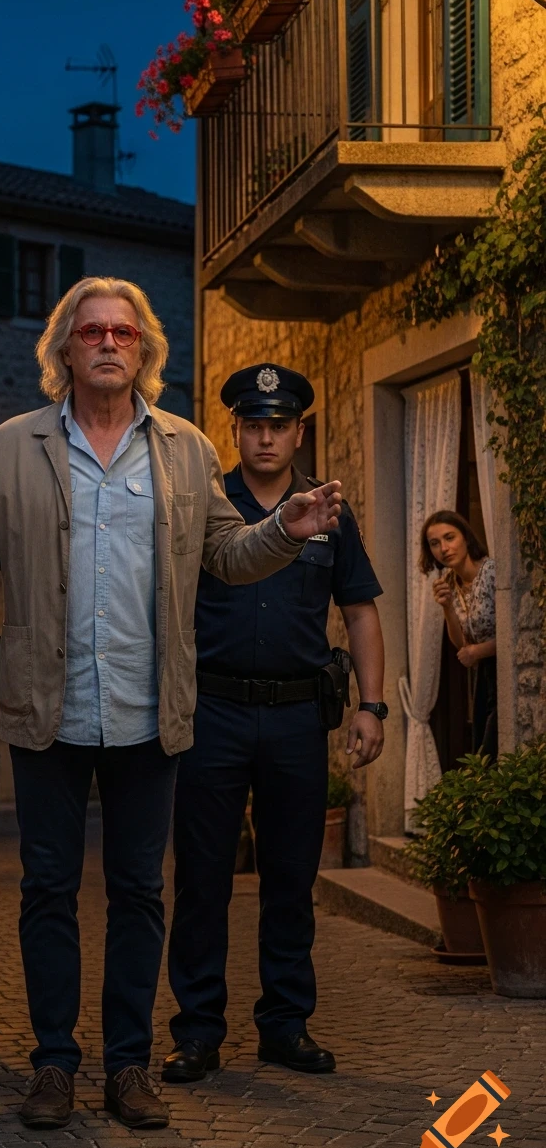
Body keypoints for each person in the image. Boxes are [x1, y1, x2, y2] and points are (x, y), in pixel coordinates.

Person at [0, 277, 343, 1131]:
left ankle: (127, 1066)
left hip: (151, 707)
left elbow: (226, 555)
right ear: (64, 350)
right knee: (46, 888)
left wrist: (283, 535)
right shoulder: (14, 445)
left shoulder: (185, 448)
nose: (108, 343)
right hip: (50, 706)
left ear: (144, 349)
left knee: (137, 892)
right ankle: (52, 1062)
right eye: (91, 332)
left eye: (123, 331)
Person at [163, 364, 386, 1085]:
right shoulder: (201, 505)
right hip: (213, 713)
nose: (265, 436)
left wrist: (372, 706)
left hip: (296, 716)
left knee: (291, 880)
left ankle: (285, 1025)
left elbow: (360, 610)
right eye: (253, 424)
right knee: (203, 881)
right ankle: (198, 1032)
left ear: (298, 431)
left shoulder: (328, 512)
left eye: (278, 425)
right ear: (235, 429)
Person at [421, 510, 497, 759]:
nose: (443, 548)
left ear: (465, 537)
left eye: (449, 537)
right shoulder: (451, 582)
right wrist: (446, 607)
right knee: (480, 750)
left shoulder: (491, 572)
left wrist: (479, 651)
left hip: (505, 670)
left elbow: (515, 635)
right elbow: (461, 644)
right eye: (435, 543)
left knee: (491, 750)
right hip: (482, 676)